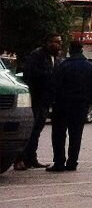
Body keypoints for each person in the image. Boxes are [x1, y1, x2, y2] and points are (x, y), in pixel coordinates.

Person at [46, 41, 92, 172]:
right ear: (81, 50)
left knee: (59, 134)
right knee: (76, 135)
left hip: (62, 105)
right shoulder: (91, 67)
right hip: (81, 106)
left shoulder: (63, 66)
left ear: (70, 50)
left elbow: (54, 85)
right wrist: (88, 102)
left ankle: (59, 162)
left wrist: (52, 101)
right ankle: (72, 162)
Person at [14, 34, 61, 171]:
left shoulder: (55, 58)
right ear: (47, 42)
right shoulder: (37, 55)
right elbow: (30, 74)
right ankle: (19, 159)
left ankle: (31, 158)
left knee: (37, 131)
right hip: (35, 98)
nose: (58, 45)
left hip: (46, 100)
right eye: (56, 42)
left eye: (60, 42)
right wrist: (50, 76)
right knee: (29, 130)